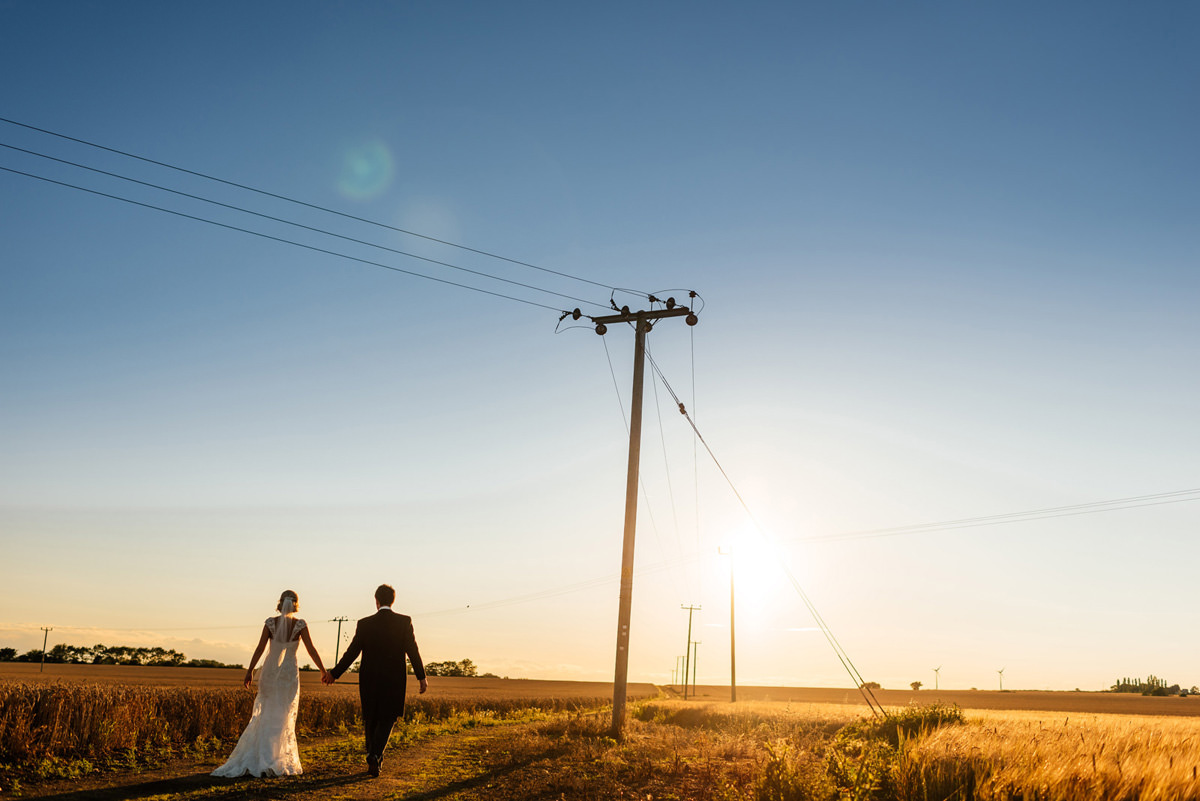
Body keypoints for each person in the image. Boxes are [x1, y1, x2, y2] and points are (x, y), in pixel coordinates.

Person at [212, 590, 328, 777]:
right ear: (296, 604)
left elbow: (260, 648)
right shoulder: (300, 625)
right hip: (289, 674)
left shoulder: (270, 623)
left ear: (280, 603)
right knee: (283, 715)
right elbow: (312, 649)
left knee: (266, 713)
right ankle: (275, 758)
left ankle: (262, 756)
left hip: (270, 672)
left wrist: (250, 671)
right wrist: (323, 670)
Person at [323, 584, 427, 778]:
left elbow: (352, 652)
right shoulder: (404, 622)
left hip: (369, 677)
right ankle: (375, 755)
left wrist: (334, 674)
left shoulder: (365, 624)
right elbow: (413, 650)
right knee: (388, 717)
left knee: (371, 717)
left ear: (376, 600)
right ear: (393, 600)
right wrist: (421, 677)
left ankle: (373, 755)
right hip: (394, 678)